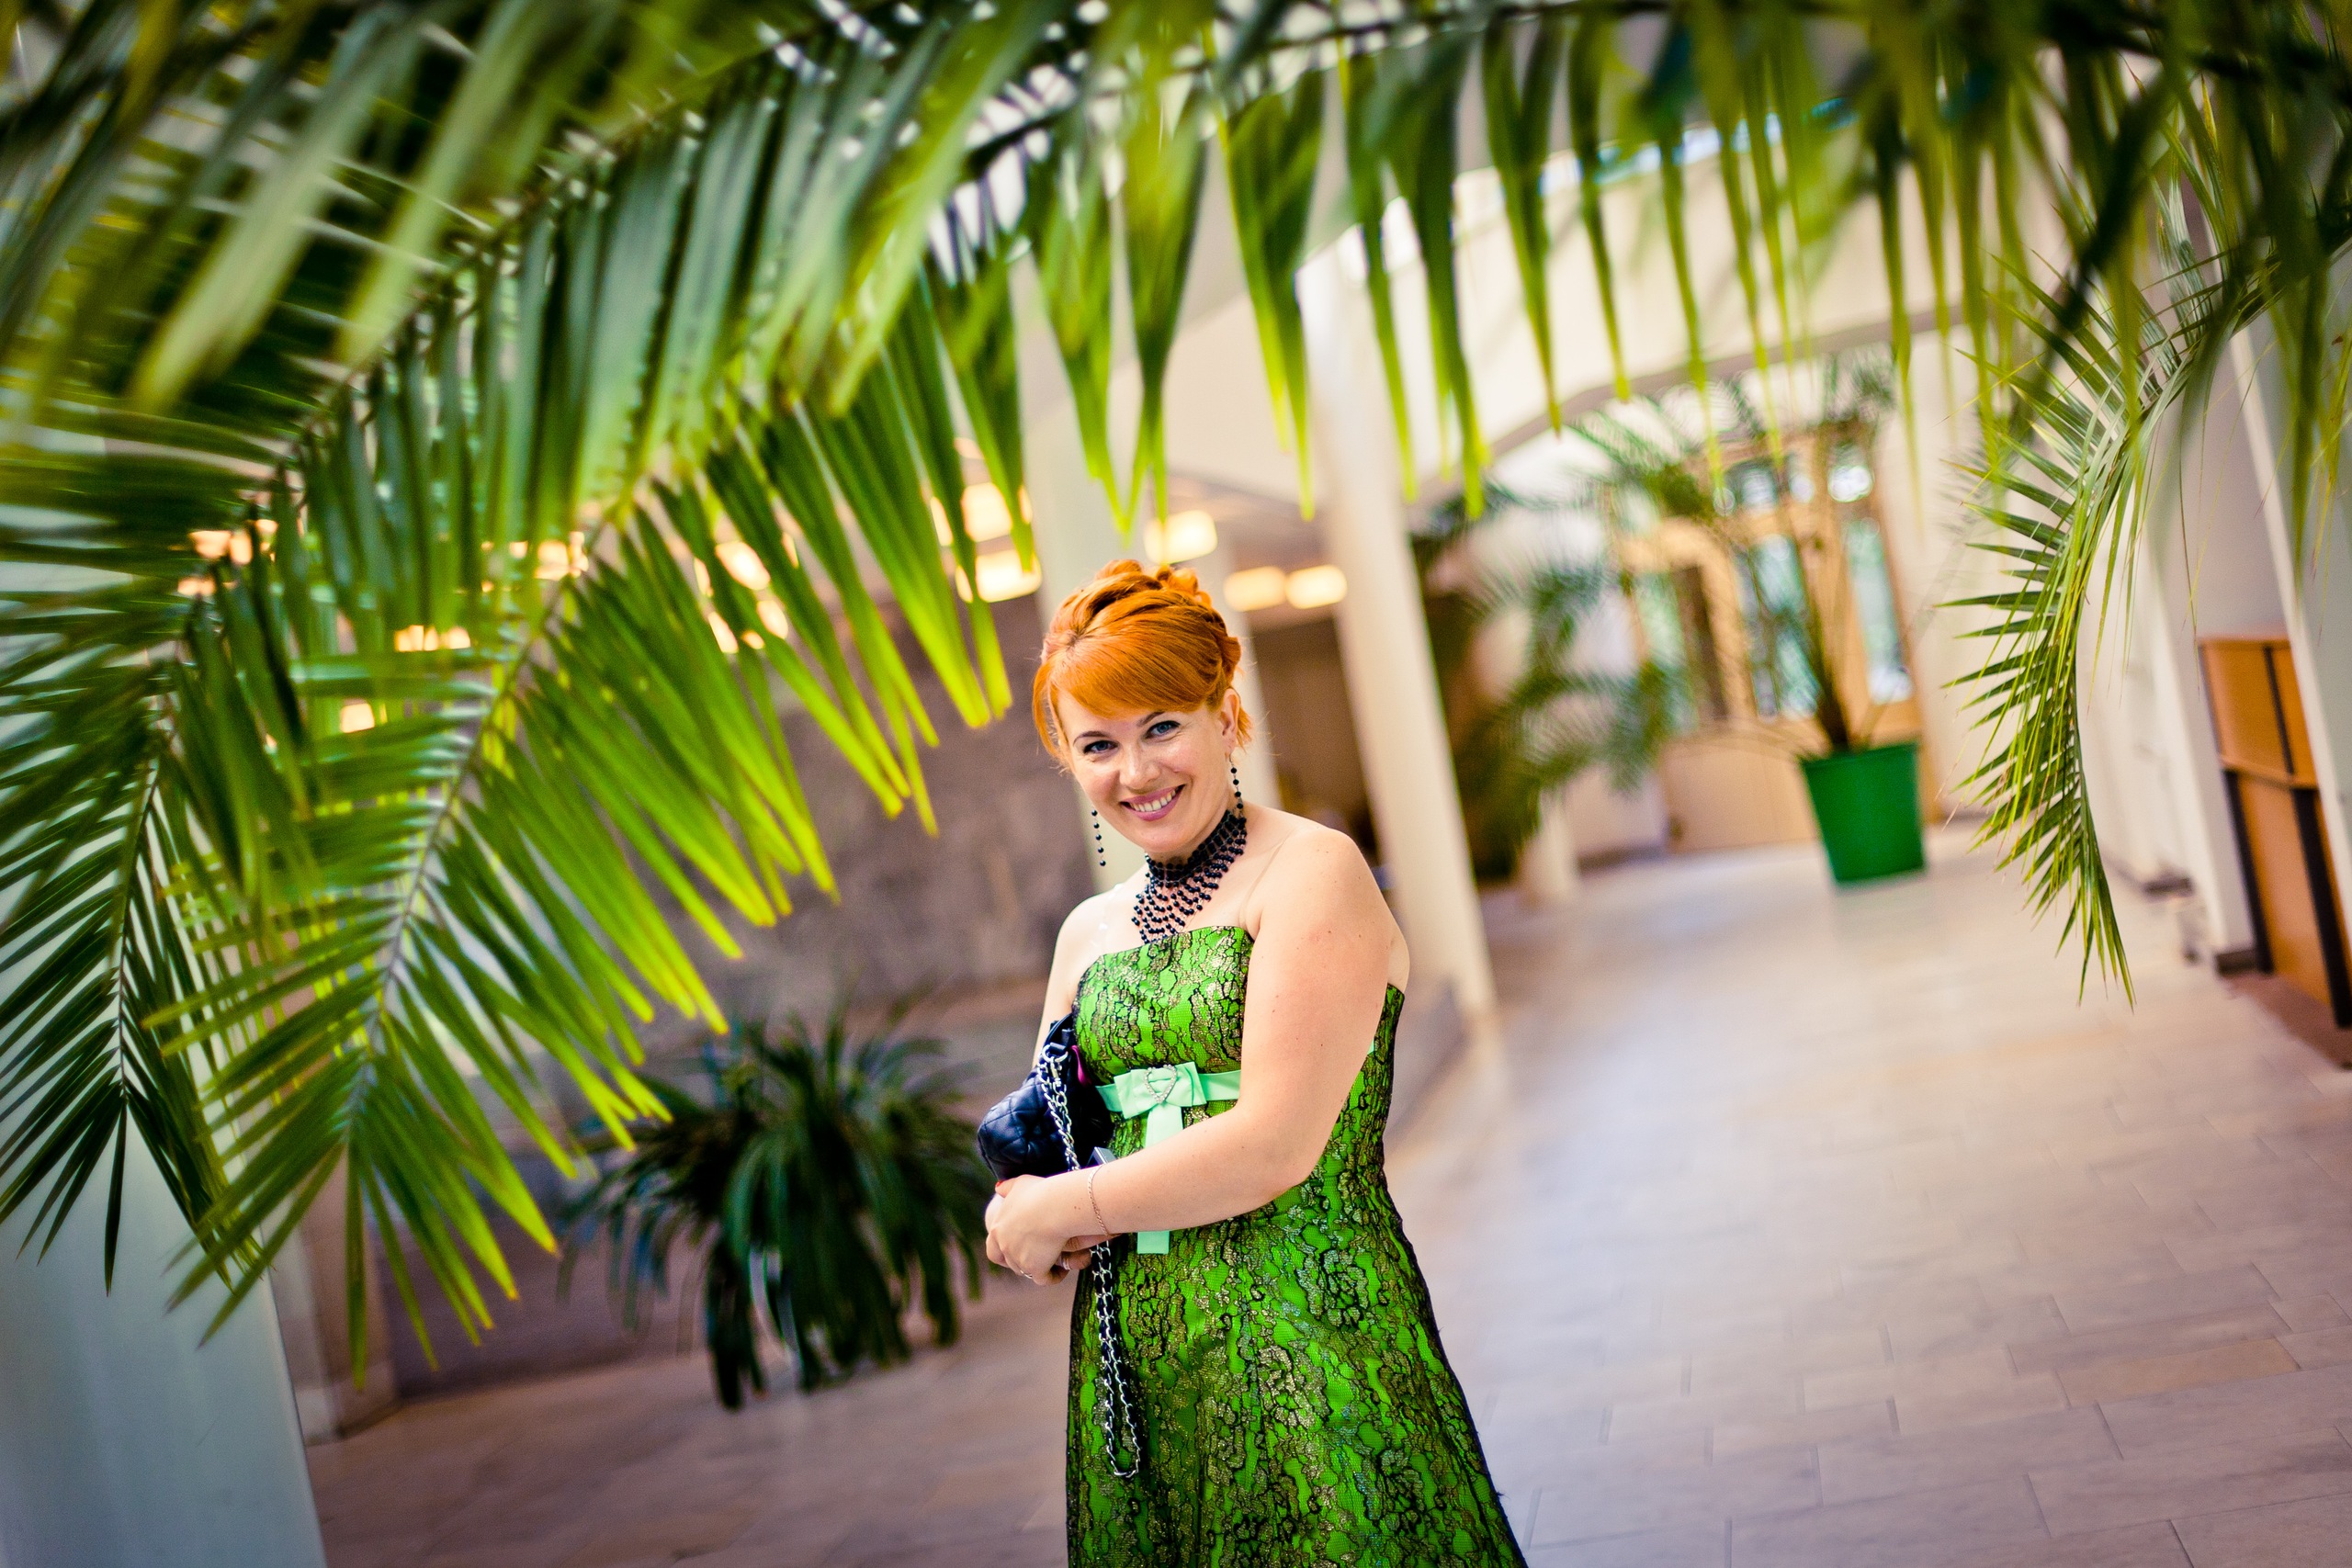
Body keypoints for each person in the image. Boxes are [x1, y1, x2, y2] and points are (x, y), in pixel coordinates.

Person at [985, 559, 1525, 1566]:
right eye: (1098, 744)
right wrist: (1026, 1213)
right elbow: (1051, 1145)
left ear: (1225, 713)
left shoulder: (1312, 870)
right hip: (1139, 1363)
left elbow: (1272, 1144)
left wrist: (1060, 1210)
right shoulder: (1086, 934)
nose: (1135, 772)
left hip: (1309, 1328)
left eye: (1161, 727)